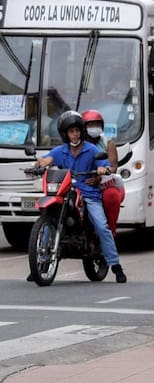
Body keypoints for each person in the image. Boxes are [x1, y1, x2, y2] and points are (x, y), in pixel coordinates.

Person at [36, 111, 125, 283]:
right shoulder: (60, 151)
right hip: (64, 191)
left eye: (77, 131)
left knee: (101, 226)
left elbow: (106, 165)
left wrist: (103, 169)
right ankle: (39, 263)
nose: (74, 134)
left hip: (88, 193)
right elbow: (45, 159)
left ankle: (116, 266)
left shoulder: (92, 150)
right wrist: (39, 163)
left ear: (81, 132)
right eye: (71, 131)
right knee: (47, 217)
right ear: (65, 134)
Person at [81, 109, 124, 236]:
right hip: (81, 182)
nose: (94, 128)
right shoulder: (77, 144)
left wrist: (100, 177)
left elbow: (112, 168)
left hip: (105, 184)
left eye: (97, 125)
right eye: (90, 125)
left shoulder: (108, 143)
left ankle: (110, 233)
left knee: (111, 196)